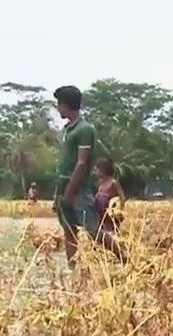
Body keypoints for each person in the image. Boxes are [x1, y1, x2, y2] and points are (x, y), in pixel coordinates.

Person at [52, 85, 127, 266]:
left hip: (77, 188)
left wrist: (70, 192)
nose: (57, 108)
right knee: (69, 230)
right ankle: (73, 270)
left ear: (65, 104)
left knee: (93, 230)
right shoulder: (69, 129)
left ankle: (124, 256)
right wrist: (58, 195)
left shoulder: (85, 129)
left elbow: (81, 163)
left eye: (58, 104)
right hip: (63, 186)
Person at [93, 157, 125, 230]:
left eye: (96, 170)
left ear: (103, 171)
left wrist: (118, 210)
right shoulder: (99, 183)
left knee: (111, 229)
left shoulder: (113, 183)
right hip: (100, 212)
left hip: (110, 212)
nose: (94, 173)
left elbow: (122, 197)